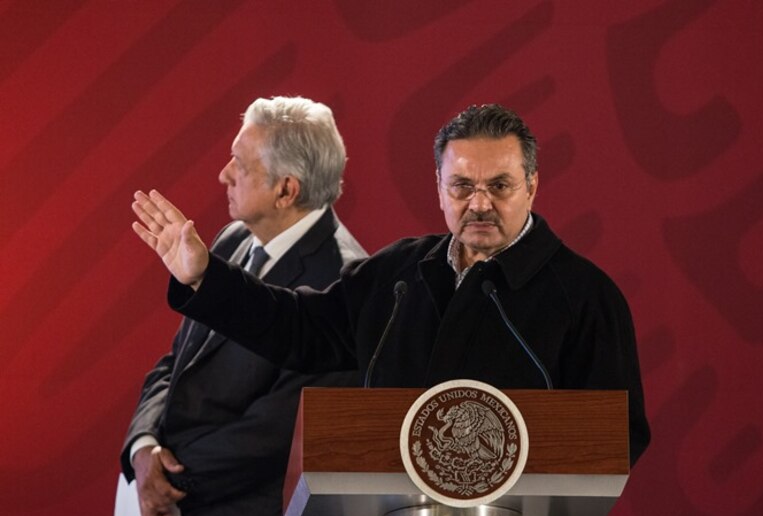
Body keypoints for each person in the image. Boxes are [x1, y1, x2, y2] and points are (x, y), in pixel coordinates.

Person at [131, 103, 650, 468]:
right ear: (439, 188)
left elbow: (618, 436)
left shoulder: (586, 297)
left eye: (499, 186)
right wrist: (205, 276)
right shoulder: (399, 273)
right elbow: (300, 330)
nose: (480, 203)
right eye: (462, 186)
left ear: (532, 185)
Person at [119, 96, 366, 516]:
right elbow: (179, 363)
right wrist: (143, 447)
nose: (223, 174)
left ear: (286, 190)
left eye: (239, 164)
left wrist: (164, 479)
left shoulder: (342, 284)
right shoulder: (232, 239)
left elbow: (276, 437)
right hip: (172, 502)